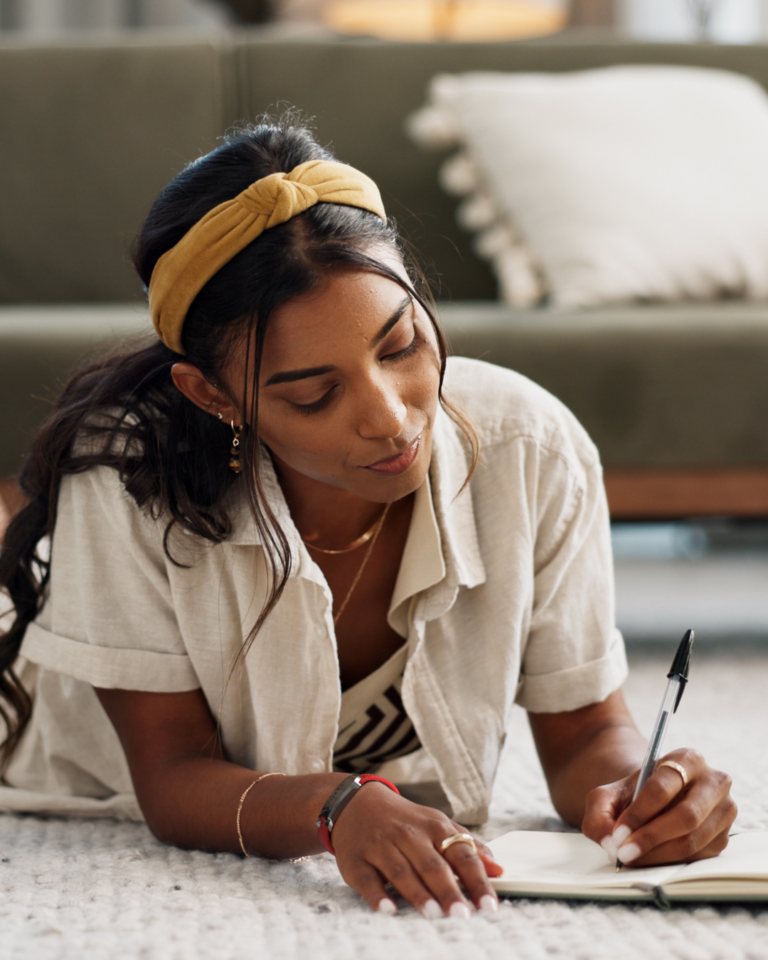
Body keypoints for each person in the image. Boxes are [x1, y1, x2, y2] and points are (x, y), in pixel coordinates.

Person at [0, 118, 735, 919]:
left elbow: (586, 734)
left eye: (401, 345)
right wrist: (337, 805)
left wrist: (643, 792)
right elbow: (173, 775)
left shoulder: (532, 446)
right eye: (314, 395)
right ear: (213, 397)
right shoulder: (126, 474)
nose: (390, 419)